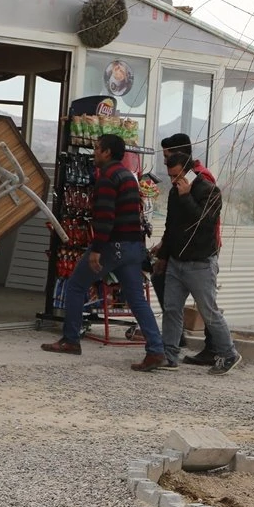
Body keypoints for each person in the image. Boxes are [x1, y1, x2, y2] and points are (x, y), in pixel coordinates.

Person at [42, 133, 166, 371]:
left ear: (107, 152)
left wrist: (97, 249)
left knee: (76, 285)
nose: (95, 152)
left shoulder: (107, 178)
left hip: (112, 246)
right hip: (132, 247)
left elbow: (105, 217)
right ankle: (155, 350)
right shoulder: (128, 177)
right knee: (137, 299)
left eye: (98, 148)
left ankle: (70, 340)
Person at [157, 152, 242, 375]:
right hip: (177, 261)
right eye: (170, 177)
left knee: (208, 311)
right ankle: (169, 355)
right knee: (172, 308)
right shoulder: (175, 192)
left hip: (201, 264)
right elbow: (171, 226)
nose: (174, 181)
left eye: (176, 176)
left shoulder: (209, 191)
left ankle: (228, 352)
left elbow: (205, 224)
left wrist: (186, 197)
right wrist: (164, 256)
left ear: (188, 172)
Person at [152, 133, 220, 365]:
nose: (165, 162)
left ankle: (219, 349)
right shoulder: (180, 183)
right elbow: (175, 221)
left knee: (207, 305)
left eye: (168, 156)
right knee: (172, 303)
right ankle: (170, 348)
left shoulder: (200, 180)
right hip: (182, 251)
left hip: (200, 253)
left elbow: (203, 221)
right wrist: (165, 247)